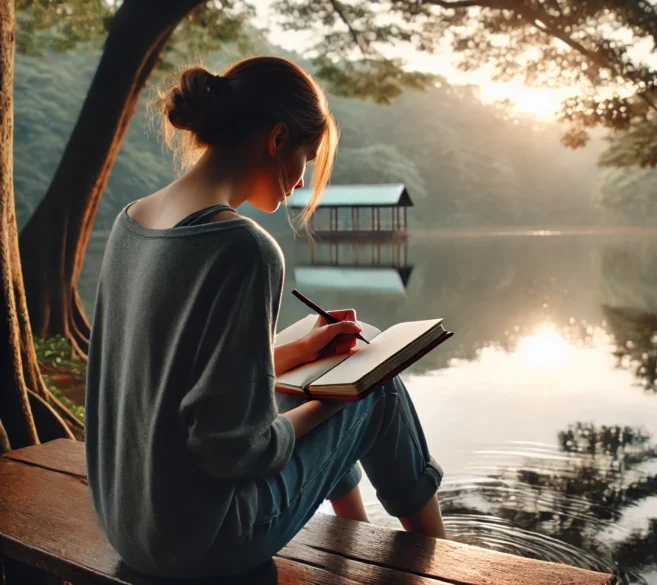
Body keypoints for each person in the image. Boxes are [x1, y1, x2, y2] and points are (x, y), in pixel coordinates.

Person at [84, 56, 445, 580]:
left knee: (335, 366)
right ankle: (444, 560)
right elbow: (235, 451)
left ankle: (354, 543)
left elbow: (161, 374)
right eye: (307, 156)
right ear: (277, 139)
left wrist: (296, 354)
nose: (300, 182)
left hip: (131, 524)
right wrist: (341, 398)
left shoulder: (132, 222)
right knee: (377, 388)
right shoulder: (244, 249)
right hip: (205, 544)